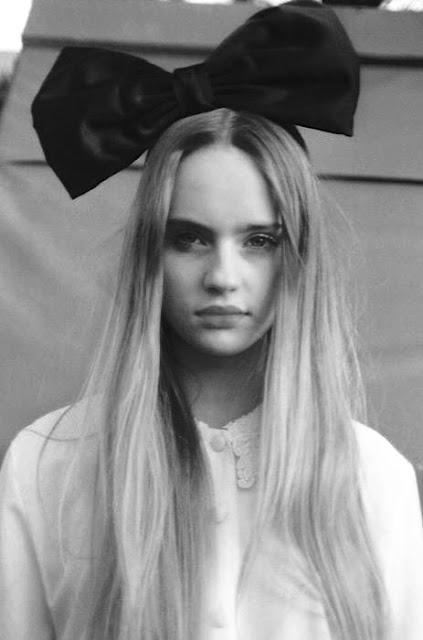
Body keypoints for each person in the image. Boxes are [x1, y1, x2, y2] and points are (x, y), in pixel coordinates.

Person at [0, 2, 422, 639]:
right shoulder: (46, 466)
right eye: (190, 238)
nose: (224, 275)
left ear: (299, 255)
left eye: (259, 240)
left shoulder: (374, 479)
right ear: (150, 253)